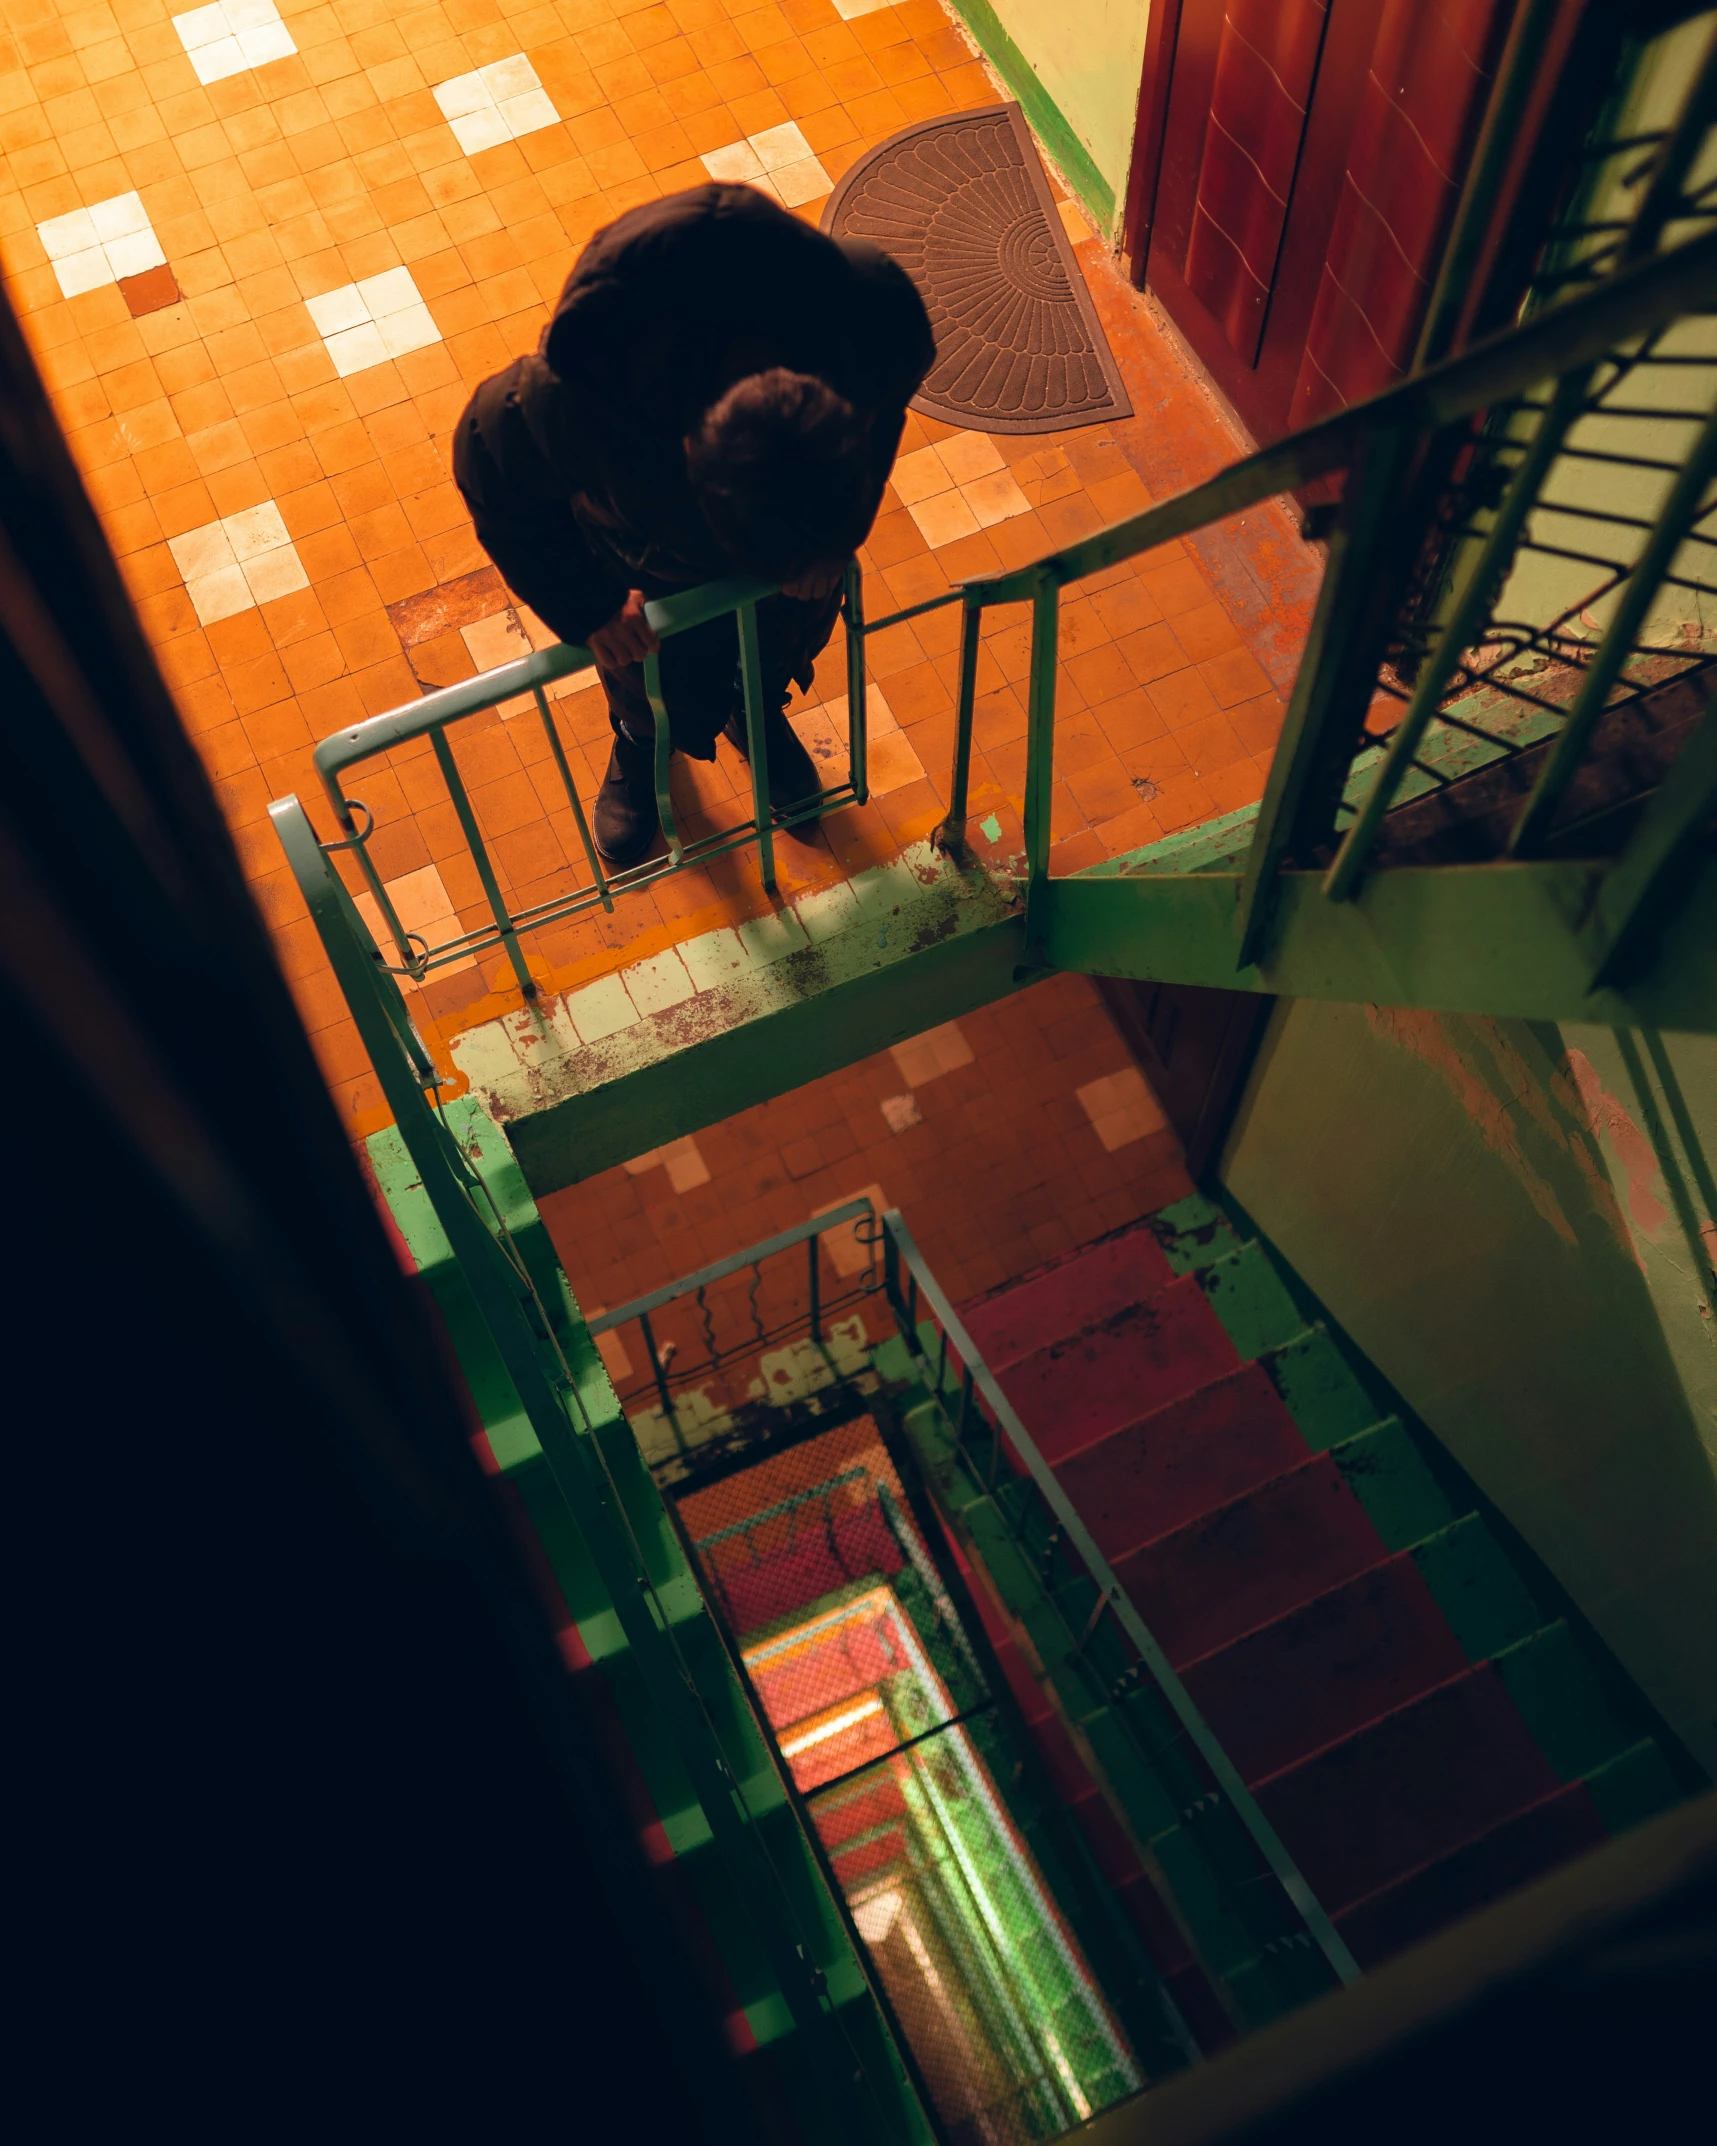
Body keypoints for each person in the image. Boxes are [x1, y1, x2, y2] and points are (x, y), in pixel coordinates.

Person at [453, 182, 936, 868]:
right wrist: (586, 608)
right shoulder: (574, 400)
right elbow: (496, 484)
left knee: (776, 634)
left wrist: (837, 538)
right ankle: (639, 735)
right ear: (686, 458)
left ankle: (755, 708)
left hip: (746, 529)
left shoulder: (865, 320)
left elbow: (885, 407)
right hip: (639, 558)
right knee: (645, 666)